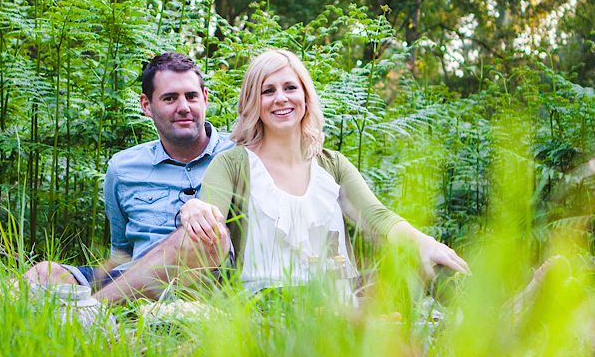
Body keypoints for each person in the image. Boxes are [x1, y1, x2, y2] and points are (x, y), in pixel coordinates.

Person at [0, 51, 231, 305]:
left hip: (202, 283)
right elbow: (121, 253)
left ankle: (89, 312)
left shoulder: (238, 155)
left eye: (190, 96)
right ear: (146, 105)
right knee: (46, 272)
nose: (183, 106)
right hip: (129, 282)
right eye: (169, 98)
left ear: (205, 98)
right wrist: (79, 280)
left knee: (201, 232)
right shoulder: (124, 168)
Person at [177, 48, 467, 294]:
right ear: (254, 101)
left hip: (336, 308)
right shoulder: (233, 164)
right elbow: (209, 219)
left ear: (305, 96)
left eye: (290, 88)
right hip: (264, 307)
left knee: (431, 259)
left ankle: (490, 326)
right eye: (268, 91)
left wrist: (425, 242)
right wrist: (194, 208)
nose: (281, 98)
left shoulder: (333, 165)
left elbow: (377, 218)